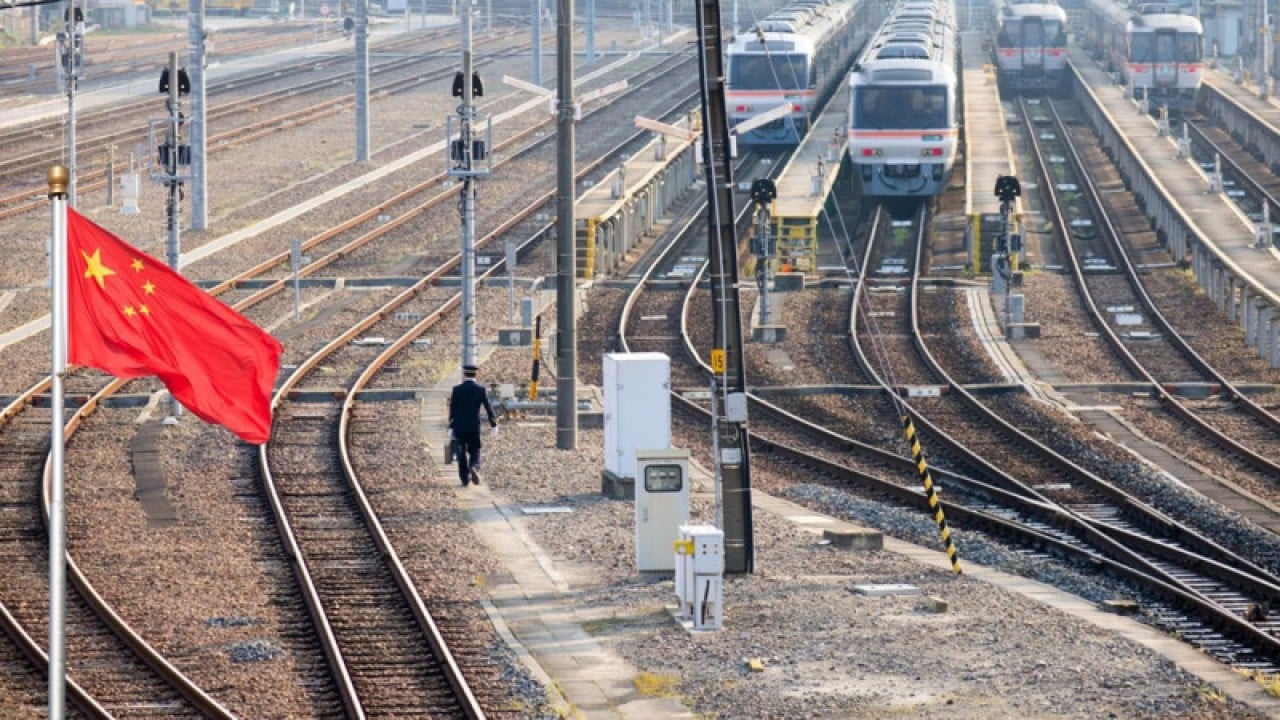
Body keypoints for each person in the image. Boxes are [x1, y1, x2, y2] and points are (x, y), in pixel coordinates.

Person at [448, 364, 497, 486]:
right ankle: (474, 466)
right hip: (474, 426)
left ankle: (464, 479)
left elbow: (452, 409)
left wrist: (450, 426)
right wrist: (493, 424)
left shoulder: (457, 389)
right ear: (476, 374)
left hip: (459, 426)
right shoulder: (480, 390)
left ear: (464, 374)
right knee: (475, 449)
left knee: (461, 452)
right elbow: (488, 407)